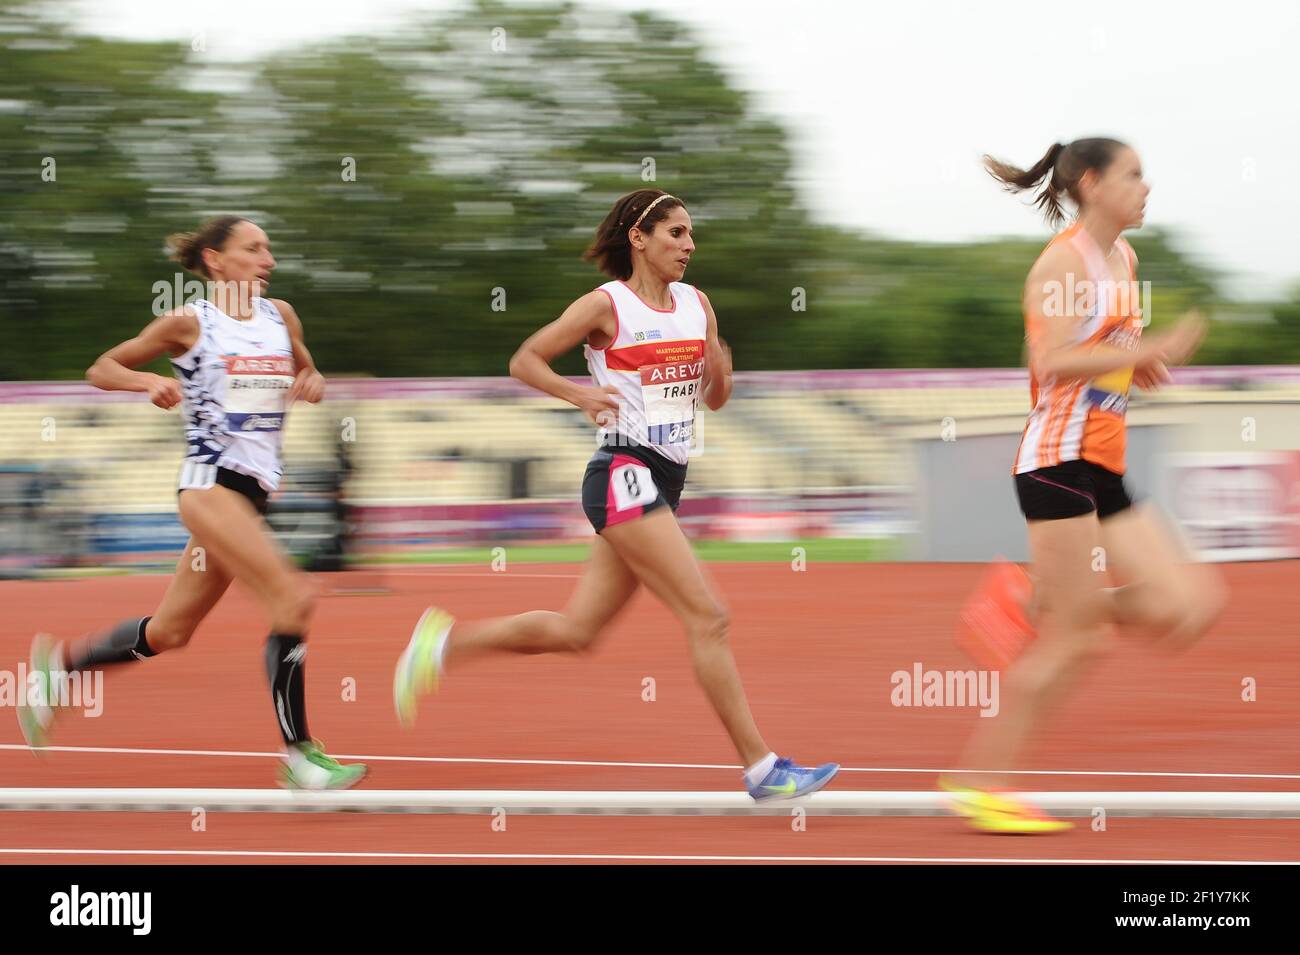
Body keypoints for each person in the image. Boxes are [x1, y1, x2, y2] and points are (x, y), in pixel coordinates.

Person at [394, 189, 839, 801]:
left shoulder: (697, 304)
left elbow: (715, 399)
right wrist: (581, 395)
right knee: (708, 615)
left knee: (578, 631)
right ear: (640, 237)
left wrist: (720, 364)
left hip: (668, 476)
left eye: (690, 235)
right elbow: (524, 360)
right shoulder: (607, 306)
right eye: (677, 233)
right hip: (624, 470)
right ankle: (763, 769)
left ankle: (443, 644)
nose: (689, 245)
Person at [17, 215, 366, 791]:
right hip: (209, 486)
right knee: (294, 596)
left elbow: (306, 365)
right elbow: (102, 367)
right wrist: (146, 384)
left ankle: (62, 668)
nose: (268, 259)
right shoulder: (189, 323)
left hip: (254, 495)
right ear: (214, 260)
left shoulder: (281, 317)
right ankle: (300, 755)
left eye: (269, 249)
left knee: (169, 632)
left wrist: (313, 379)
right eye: (253, 249)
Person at [949, 139, 1227, 832]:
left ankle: (1036, 595)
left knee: (1186, 605)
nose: (1147, 186)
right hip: (1057, 464)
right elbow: (1047, 358)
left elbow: (1099, 358)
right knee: (1079, 639)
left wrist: (1138, 369)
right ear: (1094, 183)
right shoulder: (1061, 262)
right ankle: (983, 786)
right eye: (1134, 174)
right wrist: (1146, 350)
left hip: (1104, 461)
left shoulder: (1123, 260)